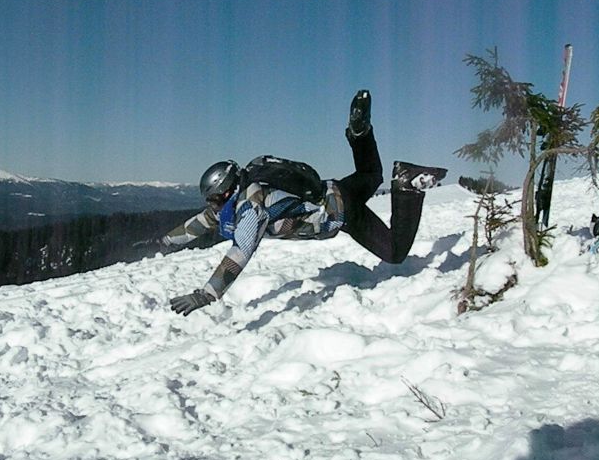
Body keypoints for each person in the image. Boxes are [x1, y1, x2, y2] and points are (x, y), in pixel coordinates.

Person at [162, 90, 447, 316]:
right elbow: (204, 221)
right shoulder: (248, 186)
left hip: (341, 212)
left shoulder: (251, 209)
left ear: (226, 192)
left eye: (213, 199)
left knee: (395, 252)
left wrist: (206, 294)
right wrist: (164, 241)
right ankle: (360, 133)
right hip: (333, 189)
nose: (211, 205)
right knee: (371, 175)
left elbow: (239, 253)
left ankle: (406, 185)